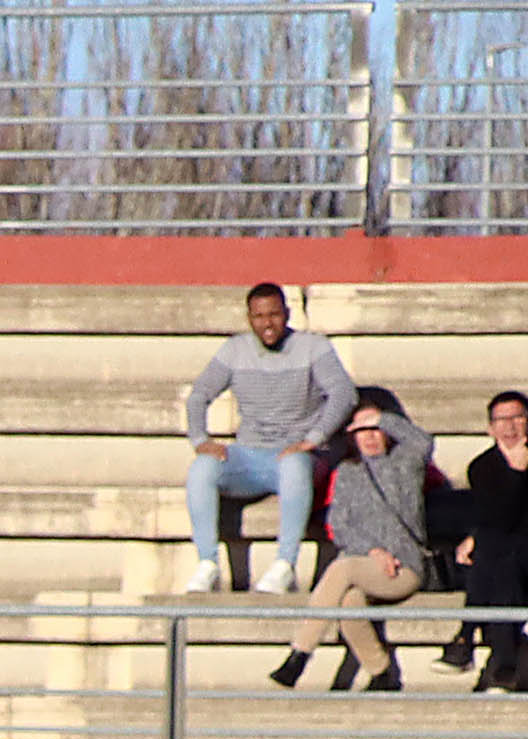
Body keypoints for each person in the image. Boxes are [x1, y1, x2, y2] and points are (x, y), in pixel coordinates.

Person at [183, 282, 354, 596]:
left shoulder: (313, 347)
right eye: (259, 316)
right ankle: (207, 564)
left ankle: (284, 565)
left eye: (274, 314)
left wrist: (314, 438)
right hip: (250, 455)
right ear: (249, 318)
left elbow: (344, 394)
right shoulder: (235, 350)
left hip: (299, 457)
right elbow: (198, 396)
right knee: (202, 469)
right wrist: (200, 440)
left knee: (293, 465)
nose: (267, 323)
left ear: (286, 314)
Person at [270, 396, 431, 692]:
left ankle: (300, 653)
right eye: (360, 429)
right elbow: (340, 525)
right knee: (348, 602)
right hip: (367, 563)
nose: (368, 436)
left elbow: (423, 441)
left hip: (404, 567)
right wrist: (373, 551)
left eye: (374, 428)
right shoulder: (347, 473)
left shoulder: (406, 463)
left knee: (341, 568)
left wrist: (380, 418)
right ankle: (381, 672)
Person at [450, 392, 528, 694]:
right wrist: (513, 475)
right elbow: (494, 519)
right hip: (505, 561)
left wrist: (518, 474)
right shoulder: (482, 466)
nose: (509, 427)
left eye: (516, 418)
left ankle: (466, 637)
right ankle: (503, 665)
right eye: (501, 420)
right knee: (502, 560)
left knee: (498, 550)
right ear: (490, 428)